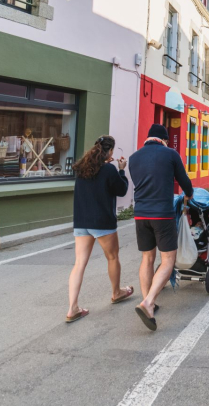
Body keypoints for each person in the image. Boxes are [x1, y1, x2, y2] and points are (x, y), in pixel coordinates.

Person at [128, 123, 193, 331]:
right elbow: (185, 184)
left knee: (147, 258)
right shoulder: (170, 154)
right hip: (162, 215)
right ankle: (148, 302)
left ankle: (149, 303)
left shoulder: (133, 157)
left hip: (140, 215)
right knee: (167, 260)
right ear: (164, 140)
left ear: (148, 138)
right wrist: (188, 196)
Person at [66, 135, 133, 323]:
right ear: (110, 151)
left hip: (81, 221)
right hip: (102, 222)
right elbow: (121, 190)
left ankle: (72, 308)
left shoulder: (81, 169)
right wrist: (121, 171)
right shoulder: (109, 169)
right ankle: (116, 292)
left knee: (79, 264)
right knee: (112, 257)